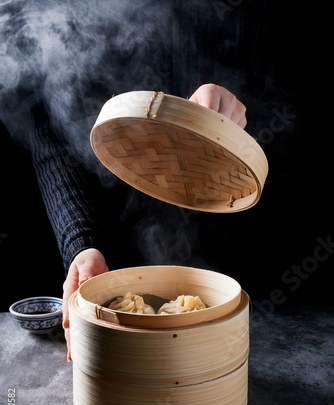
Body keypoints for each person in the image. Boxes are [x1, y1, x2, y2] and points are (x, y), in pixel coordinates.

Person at [28, 1, 301, 360]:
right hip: (114, 263)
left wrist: (240, 118)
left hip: (263, 296)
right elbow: (48, 123)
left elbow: (299, 111)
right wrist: (81, 243)